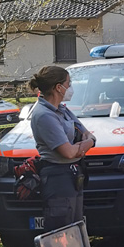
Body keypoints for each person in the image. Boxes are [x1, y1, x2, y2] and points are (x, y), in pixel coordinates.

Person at [29, 66, 96, 232]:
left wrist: (86, 142)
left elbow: (87, 133)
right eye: (69, 83)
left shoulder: (62, 110)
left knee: (76, 226)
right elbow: (69, 152)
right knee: (61, 230)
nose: (71, 87)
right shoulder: (44, 115)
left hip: (72, 173)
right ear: (59, 87)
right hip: (57, 177)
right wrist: (88, 143)